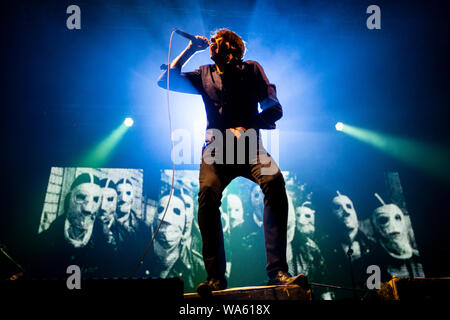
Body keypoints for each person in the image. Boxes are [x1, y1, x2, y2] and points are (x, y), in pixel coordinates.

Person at [157, 29, 294, 292]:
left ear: (232, 49)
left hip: (249, 146)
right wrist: (189, 51)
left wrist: (246, 125)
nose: (211, 44)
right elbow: (166, 81)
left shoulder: (252, 70)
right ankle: (215, 278)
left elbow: (274, 108)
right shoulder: (204, 73)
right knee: (207, 194)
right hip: (216, 150)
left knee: (274, 182)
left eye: (217, 41)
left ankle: (277, 271)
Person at [36, 172, 104, 278]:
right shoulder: (47, 240)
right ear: (69, 199)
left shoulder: (104, 243)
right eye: (81, 197)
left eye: (95, 200)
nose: (88, 209)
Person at [370, 197, 425, 281]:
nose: (393, 226)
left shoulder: (418, 259)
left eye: (397, 218)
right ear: (376, 228)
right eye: (384, 220)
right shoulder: (372, 266)